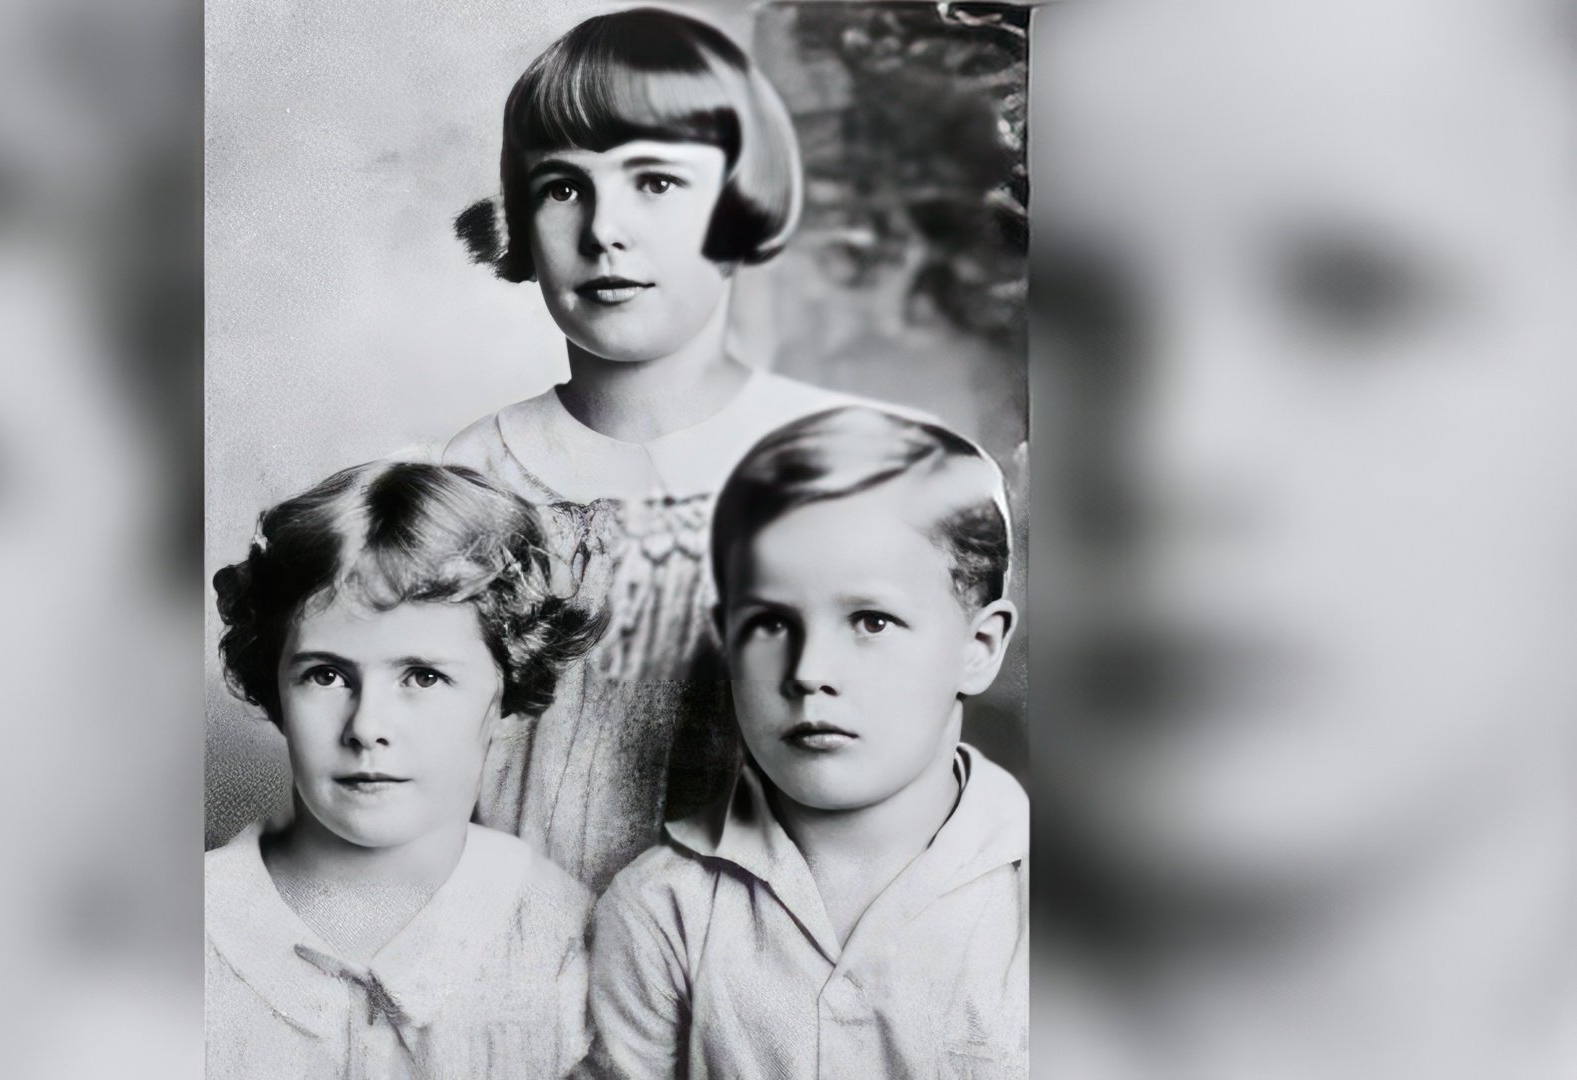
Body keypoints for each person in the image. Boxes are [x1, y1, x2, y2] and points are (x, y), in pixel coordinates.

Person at [445, 6, 905, 893]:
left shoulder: (839, 465)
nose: (603, 229)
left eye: (654, 182)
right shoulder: (477, 474)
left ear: (738, 207)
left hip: (753, 962)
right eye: (562, 186)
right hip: (515, 950)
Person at [584, 406, 1027, 1078]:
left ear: (978, 646)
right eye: (767, 624)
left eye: (871, 621)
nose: (808, 673)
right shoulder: (661, 907)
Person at [206, 461, 605, 1078]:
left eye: (424, 676)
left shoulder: (573, 948)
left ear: (508, 692)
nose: (367, 727)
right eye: (327, 675)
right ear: (275, 688)